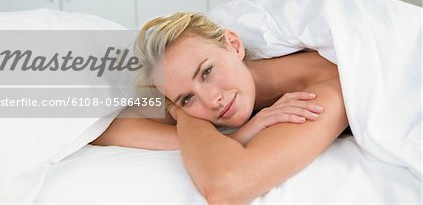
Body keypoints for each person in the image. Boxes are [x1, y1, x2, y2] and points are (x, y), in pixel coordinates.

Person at [93, 11, 349, 204]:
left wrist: (185, 114)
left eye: (206, 72)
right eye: (187, 98)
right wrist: (188, 116)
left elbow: (227, 183)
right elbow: (105, 127)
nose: (210, 100)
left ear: (234, 45)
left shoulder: (323, 90)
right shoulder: (211, 98)